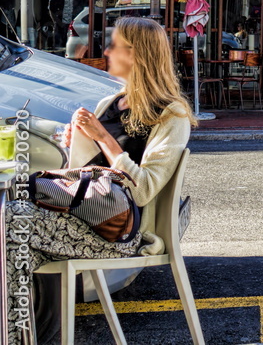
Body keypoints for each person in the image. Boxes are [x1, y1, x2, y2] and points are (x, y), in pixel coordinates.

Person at [5, 17, 195, 344]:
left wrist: (103, 137)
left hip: (120, 232)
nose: (105, 51)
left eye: (114, 45)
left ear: (136, 55)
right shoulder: (114, 101)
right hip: (83, 216)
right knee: (13, 251)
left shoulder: (171, 115)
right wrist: (74, 139)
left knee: (10, 222)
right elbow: (86, 171)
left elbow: (144, 188)